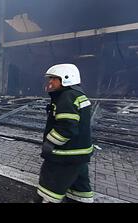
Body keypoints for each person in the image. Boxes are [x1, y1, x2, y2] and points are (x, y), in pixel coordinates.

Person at [37, 64, 94, 203]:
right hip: (79, 153)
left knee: (51, 186)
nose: (50, 82)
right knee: (80, 189)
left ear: (66, 79)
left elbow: (67, 127)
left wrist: (50, 143)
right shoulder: (78, 95)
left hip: (66, 155)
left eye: (54, 79)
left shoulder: (67, 97)